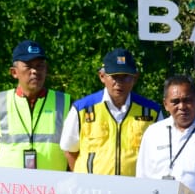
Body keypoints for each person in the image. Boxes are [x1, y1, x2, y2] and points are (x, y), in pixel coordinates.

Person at [61, 47, 161, 175]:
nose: (119, 82)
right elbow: (69, 150)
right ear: (102, 76)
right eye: (114, 76)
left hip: (136, 186)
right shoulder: (82, 109)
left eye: (125, 77)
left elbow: (161, 154)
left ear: (135, 78)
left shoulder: (152, 112)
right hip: (93, 187)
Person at [0, 39, 71, 170]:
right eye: (28, 66)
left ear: (46, 69)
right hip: (9, 182)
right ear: (14, 72)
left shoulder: (65, 103)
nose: (34, 71)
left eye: (39, 66)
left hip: (54, 182)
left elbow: (74, 151)